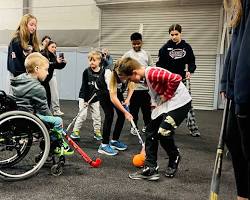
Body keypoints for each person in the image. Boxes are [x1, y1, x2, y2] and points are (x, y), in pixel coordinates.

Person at [112, 57, 191, 180]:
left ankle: (174, 156)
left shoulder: (152, 73)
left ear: (134, 73)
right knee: (150, 131)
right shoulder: (144, 77)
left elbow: (176, 78)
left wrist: (166, 95)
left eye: (129, 79)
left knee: (163, 132)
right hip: (166, 104)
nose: (130, 81)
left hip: (180, 102)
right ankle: (151, 168)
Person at [10, 52, 73, 155]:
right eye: (46, 70)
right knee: (57, 121)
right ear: (37, 69)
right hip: (29, 118)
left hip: (17, 115)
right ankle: (55, 144)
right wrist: (52, 122)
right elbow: (44, 109)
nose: (48, 73)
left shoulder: (20, 79)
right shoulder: (38, 88)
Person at [220, 0, 250, 199]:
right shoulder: (239, 8)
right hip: (237, 90)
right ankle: (243, 194)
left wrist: (241, 92)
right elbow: (234, 48)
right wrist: (225, 82)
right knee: (231, 138)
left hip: (246, 92)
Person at [156, 24, 200, 137]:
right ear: (169, 34)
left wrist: (190, 70)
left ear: (180, 33)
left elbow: (192, 62)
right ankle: (163, 126)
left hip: (182, 79)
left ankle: (193, 128)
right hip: (169, 80)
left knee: (187, 103)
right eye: (172, 34)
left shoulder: (186, 47)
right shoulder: (164, 48)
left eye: (176, 34)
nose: (174, 36)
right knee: (166, 103)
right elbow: (159, 64)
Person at [95, 57, 134, 156]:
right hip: (102, 90)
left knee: (121, 114)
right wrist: (126, 112)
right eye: (120, 75)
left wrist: (127, 100)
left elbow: (131, 86)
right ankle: (103, 145)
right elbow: (113, 98)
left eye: (123, 76)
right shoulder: (110, 73)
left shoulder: (129, 71)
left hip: (117, 90)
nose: (122, 78)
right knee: (110, 114)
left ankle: (114, 141)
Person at [122, 32, 152, 135]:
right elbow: (122, 68)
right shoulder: (128, 55)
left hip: (145, 89)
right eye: (134, 44)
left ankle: (148, 126)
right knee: (134, 110)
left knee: (147, 111)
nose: (136, 46)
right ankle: (134, 127)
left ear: (141, 42)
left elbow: (151, 68)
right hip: (133, 89)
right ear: (131, 43)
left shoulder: (146, 54)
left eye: (138, 43)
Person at [70, 51, 103, 141]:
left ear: (99, 61)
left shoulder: (102, 72)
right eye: (90, 60)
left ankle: (97, 132)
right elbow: (84, 86)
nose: (91, 62)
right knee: (82, 115)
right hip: (84, 97)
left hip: (95, 98)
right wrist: (84, 100)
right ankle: (75, 131)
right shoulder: (86, 71)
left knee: (97, 116)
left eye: (94, 60)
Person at [41, 40, 66, 109]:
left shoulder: (53, 55)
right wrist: (55, 62)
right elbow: (46, 65)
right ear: (47, 46)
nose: (54, 49)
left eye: (55, 47)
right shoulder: (43, 54)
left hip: (46, 81)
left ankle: (47, 112)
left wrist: (63, 63)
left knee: (48, 97)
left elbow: (57, 66)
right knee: (43, 97)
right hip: (40, 81)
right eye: (52, 47)